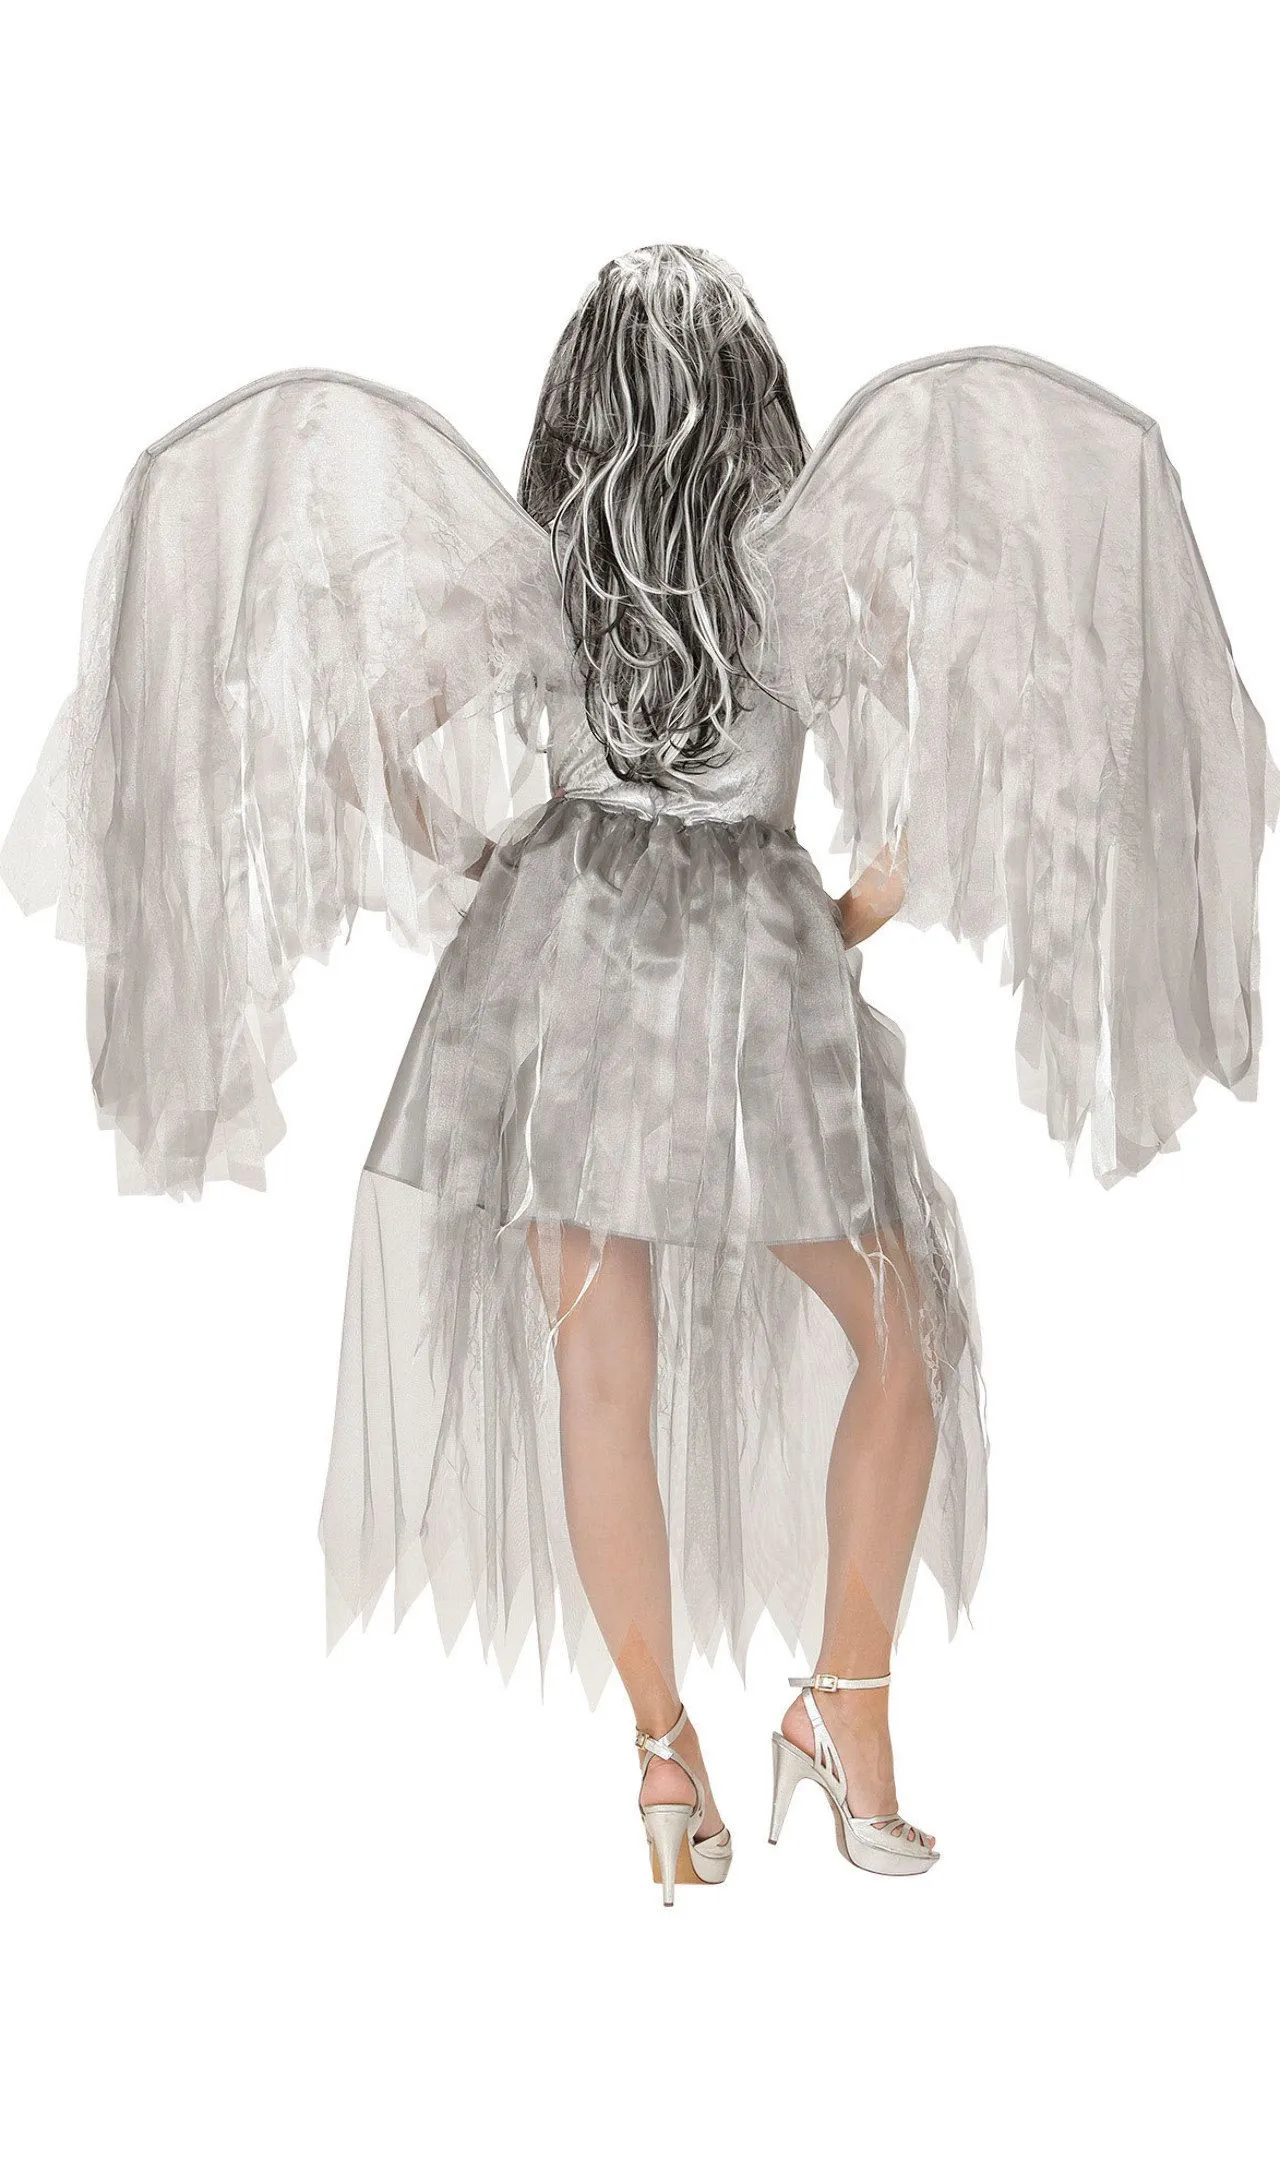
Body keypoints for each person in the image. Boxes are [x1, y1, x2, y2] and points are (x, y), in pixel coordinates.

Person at [2, 245, 1272, 1904]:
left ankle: (666, 1753)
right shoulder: (794, 578)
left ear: (577, 402)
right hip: (755, 985)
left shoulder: (545, 589)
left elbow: (360, 746)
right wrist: (846, 913)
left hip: (560, 974)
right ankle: (846, 1707)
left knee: (602, 1376)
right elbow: (935, 780)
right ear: (750, 399)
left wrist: (480, 860)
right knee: (906, 1332)